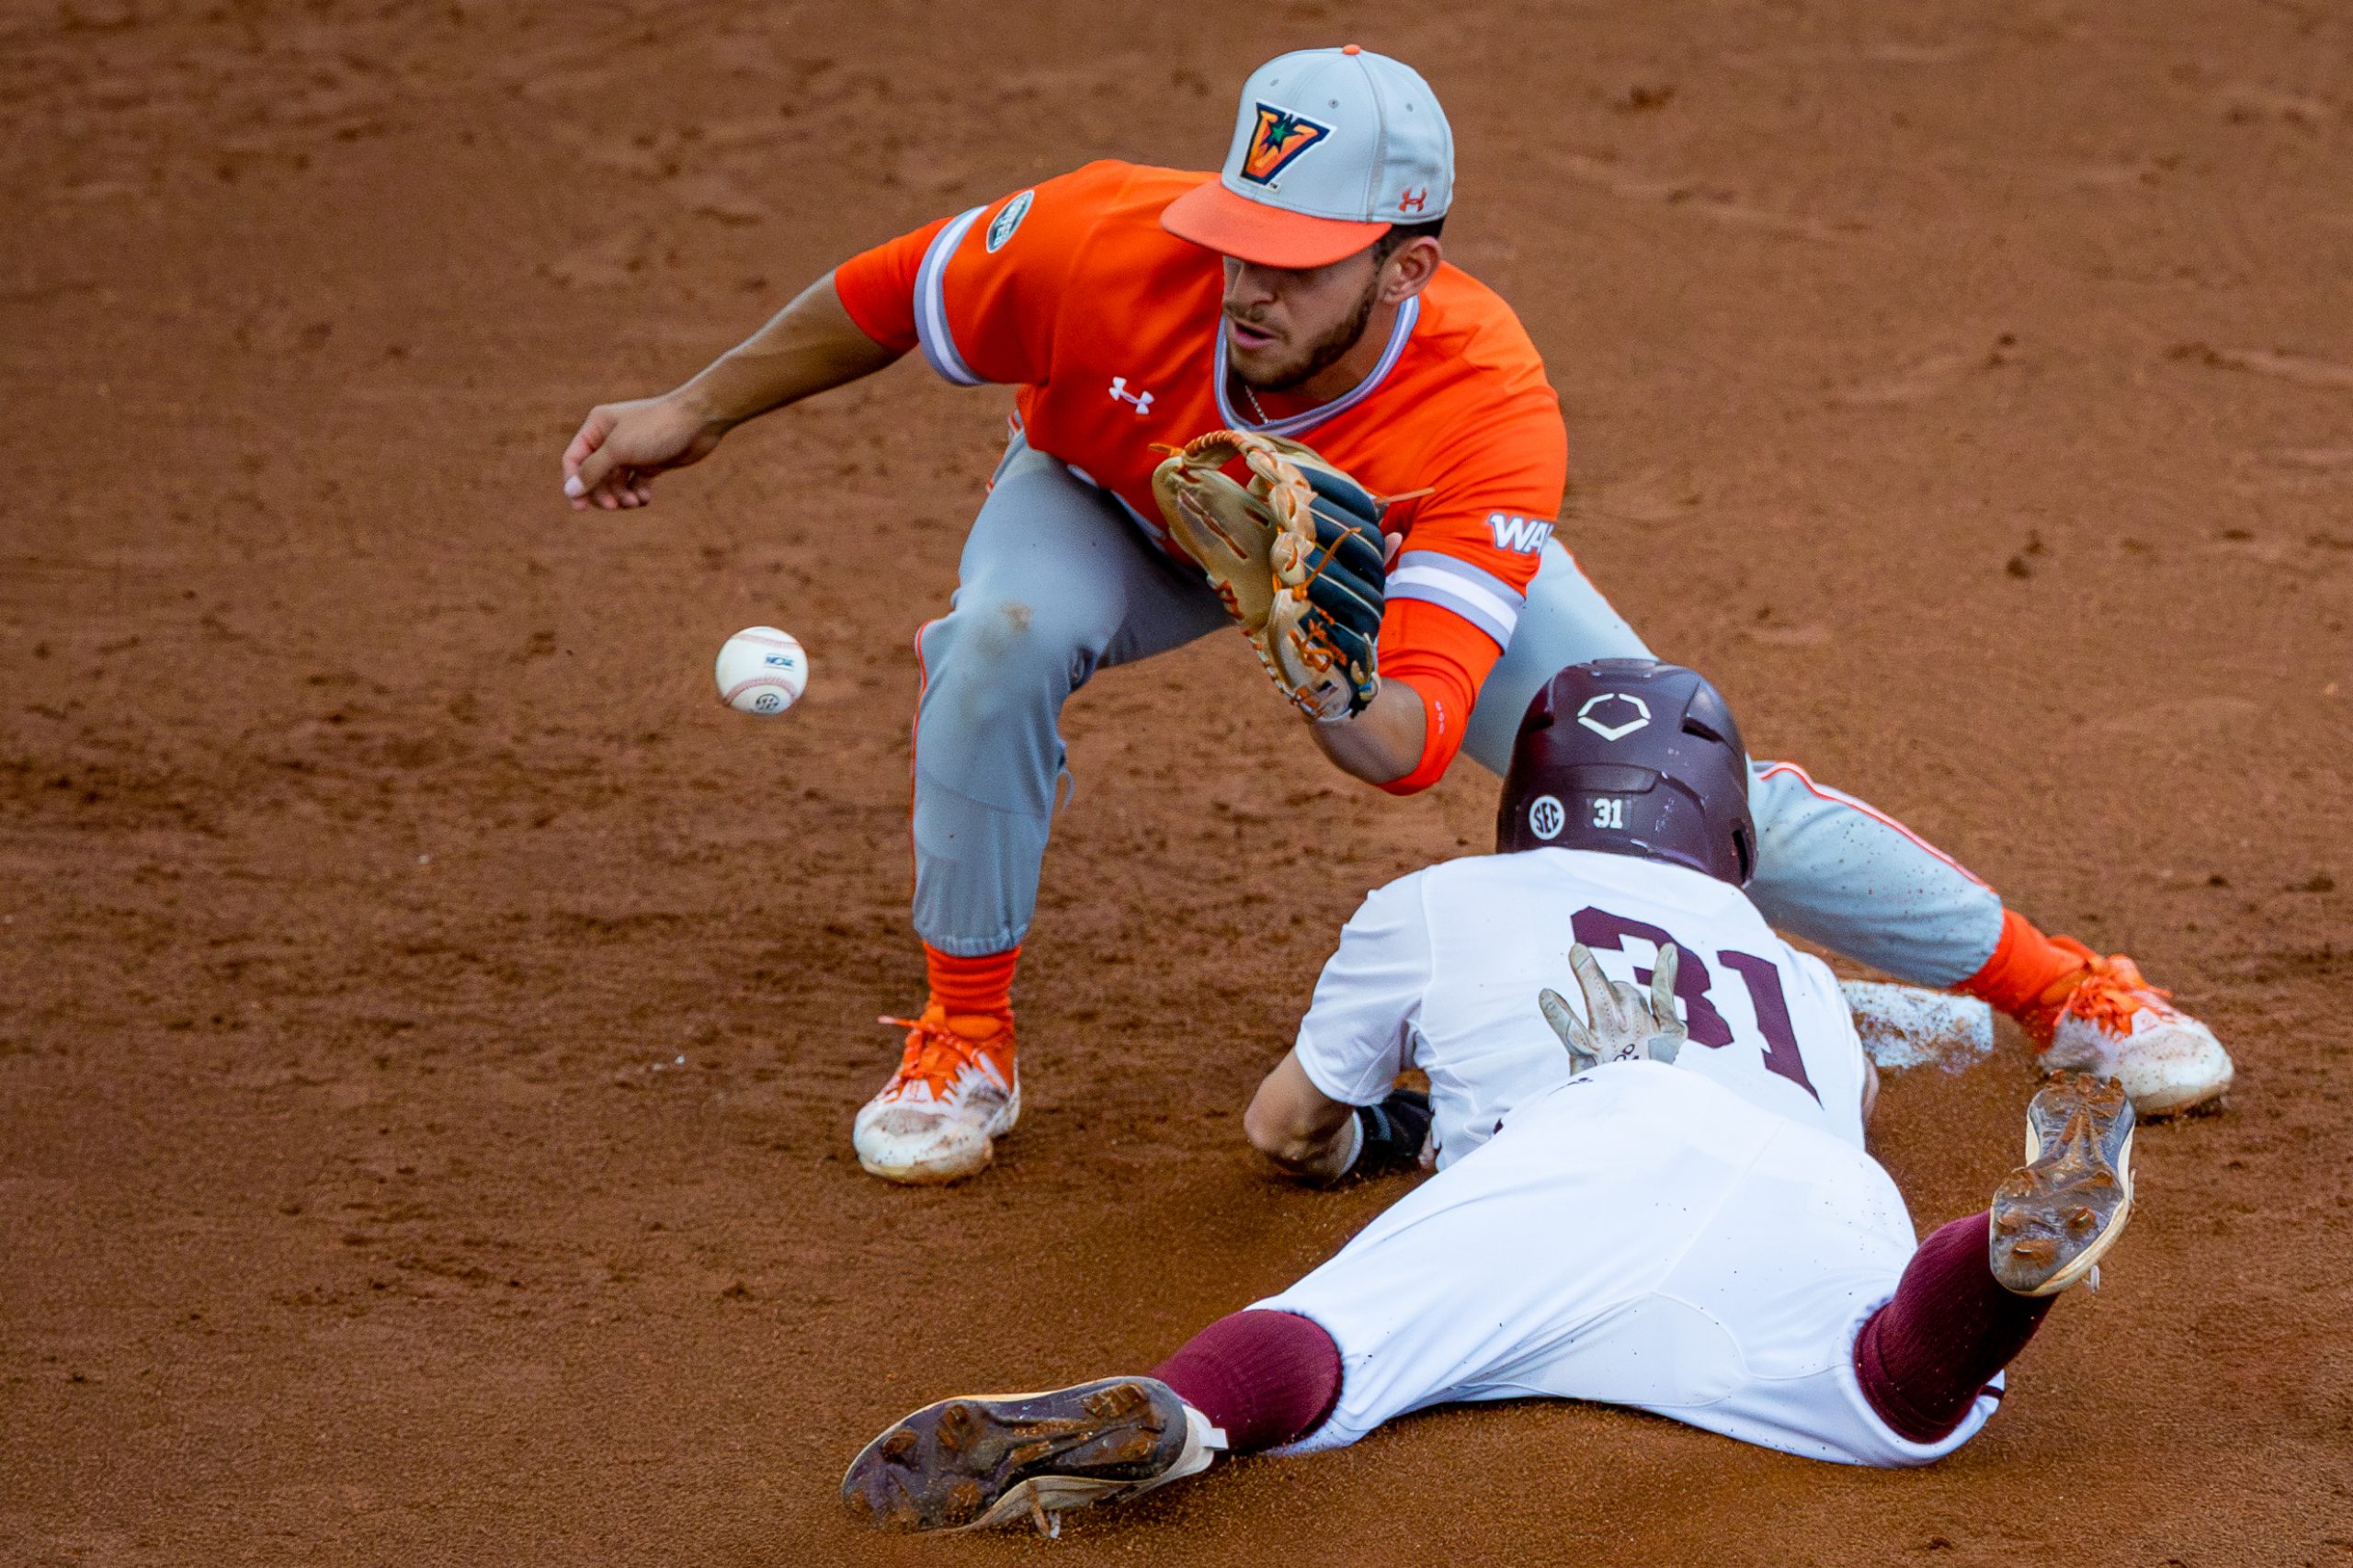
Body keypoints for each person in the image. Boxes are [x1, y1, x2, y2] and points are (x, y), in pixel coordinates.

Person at [559, 45, 2230, 1186]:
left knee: (1676, 766)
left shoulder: (1486, 408)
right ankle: (962, 1038)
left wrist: (1311, 650)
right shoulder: (1100, 242)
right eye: (1240, 241)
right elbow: (881, 293)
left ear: (1408, 266)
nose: (1249, 283)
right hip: (1105, 507)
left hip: (1353, 591)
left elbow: (1409, 744)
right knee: (992, 647)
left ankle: (2065, 987)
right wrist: (692, 406)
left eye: (1302, 257)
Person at [838, 662, 2140, 1535]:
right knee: (1890, 1393)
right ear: (1722, 831)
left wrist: (1376, 1135)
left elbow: (1286, 1129)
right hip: (1814, 1173)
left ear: (1530, 801)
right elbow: (1842, 1095)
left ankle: (1184, 1409)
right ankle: (1990, 1266)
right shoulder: (1796, 971)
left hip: (1571, 1157)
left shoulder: (1434, 901)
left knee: (1339, 1336)